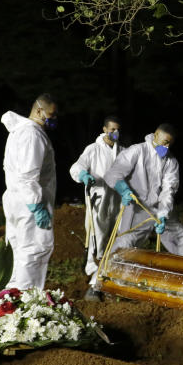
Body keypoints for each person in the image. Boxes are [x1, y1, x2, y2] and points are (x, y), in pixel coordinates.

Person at [102, 123, 183, 259]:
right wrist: (123, 190)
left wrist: (163, 214)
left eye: (170, 144)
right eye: (165, 142)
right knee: (125, 245)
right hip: (137, 208)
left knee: (181, 238)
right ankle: (103, 276)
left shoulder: (171, 162)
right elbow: (113, 174)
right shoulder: (137, 151)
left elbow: (168, 190)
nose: (166, 147)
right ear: (156, 135)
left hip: (159, 209)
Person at [1, 94, 58, 290]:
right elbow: (28, 173)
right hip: (30, 203)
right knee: (33, 249)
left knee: (17, 249)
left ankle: (11, 298)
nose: (53, 118)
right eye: (51, 114)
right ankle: (27, 299)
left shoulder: (19, 131)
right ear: (39, 110)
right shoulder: (32, 134)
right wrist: (36, 204)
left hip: (16, 199)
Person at [69, 115, 122, 301]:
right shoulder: (93, 150)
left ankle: (107, 281)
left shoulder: (121, 151)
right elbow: (76, 167)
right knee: (97, 241)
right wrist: (83, 175)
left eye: (117, 129)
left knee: (115, 241)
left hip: (117, 202)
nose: (115, 133)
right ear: (104, 129)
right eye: (112, 129)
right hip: (98, 200)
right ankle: (94, 283)